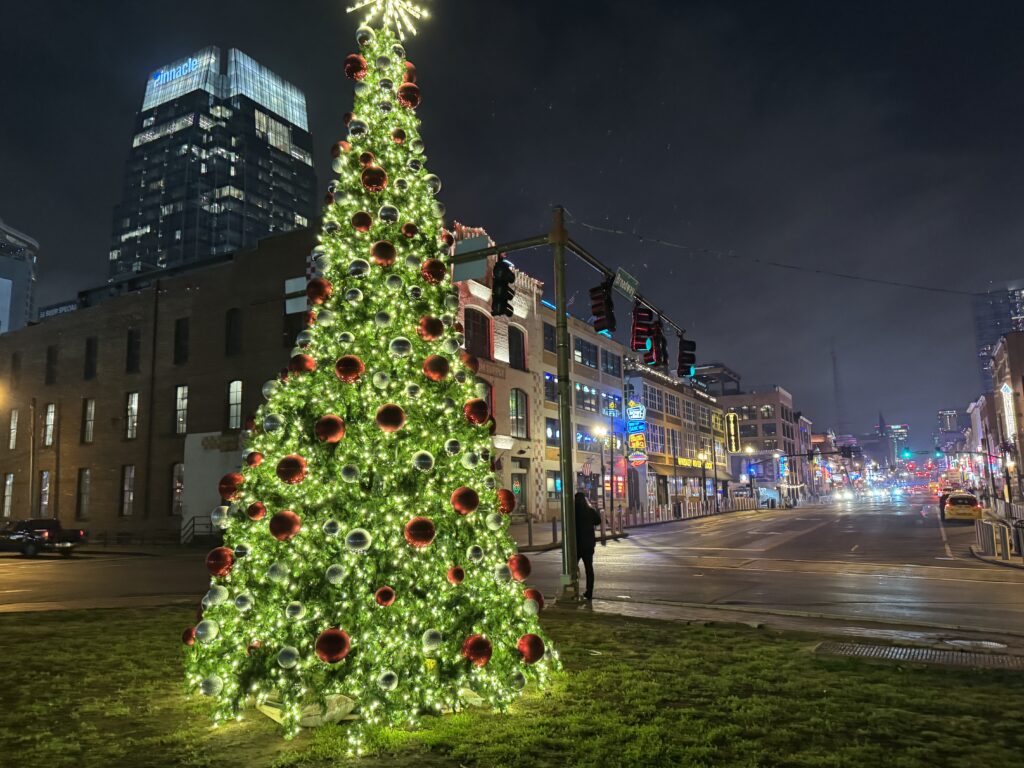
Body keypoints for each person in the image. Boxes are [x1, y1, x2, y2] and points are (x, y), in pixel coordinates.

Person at [574, 491, 602, 600]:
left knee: (572, 569)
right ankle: (589, 592)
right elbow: (598, 521)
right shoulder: (589, 511)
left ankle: (572, 588)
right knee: (589, 570)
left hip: (576, 545)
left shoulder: (573, 512)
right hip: (588, 545)